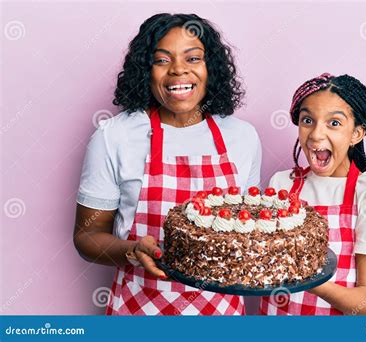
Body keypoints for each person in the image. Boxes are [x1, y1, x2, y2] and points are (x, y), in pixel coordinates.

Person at [74, 13, 261, 315]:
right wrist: (132, 251)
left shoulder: (243, 137)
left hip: (223, 314)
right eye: (162, 60)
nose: (178, 70)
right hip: (138, 311)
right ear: (145, 71)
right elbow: (87, 236)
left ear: (210, 68)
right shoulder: (114, 136)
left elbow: (246, 228)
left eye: (193, 58)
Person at [260, 73, 366, 315]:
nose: (315, 135)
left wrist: (308, 279)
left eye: (334, 123)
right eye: (307, 120)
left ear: (357, 133)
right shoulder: (282, 184)